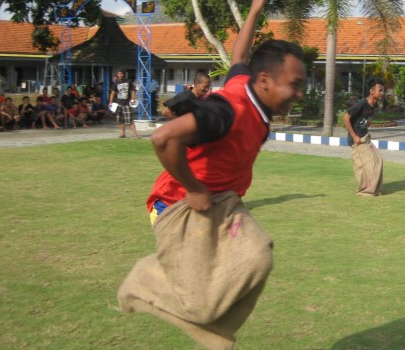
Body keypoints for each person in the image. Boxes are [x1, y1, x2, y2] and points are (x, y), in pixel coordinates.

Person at [117, 0, 305, 348]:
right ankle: (144, 280)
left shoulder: (248, 88)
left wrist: (254, 10)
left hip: (225, 203)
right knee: (200, 301)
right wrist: (194, 188)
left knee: (258, 257)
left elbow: (239, 56)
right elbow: (164, 138)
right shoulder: (228, 111)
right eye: (294, 84)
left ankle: (216, 330)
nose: (299, 93)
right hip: (178, 205)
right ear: (264, 81)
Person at [342, 77, 385, 196]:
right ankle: (365, 190)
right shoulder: (362, 103)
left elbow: (367, 120)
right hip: (357, 140)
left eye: (382, 90)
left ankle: (376, 189)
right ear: (372, 91)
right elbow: (345, 117)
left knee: (378, 160)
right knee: (366, 165)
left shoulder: (373, 106)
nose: (382, 93)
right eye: (380, 90)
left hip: (365, 138)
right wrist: (354, 136)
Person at [108, 69, 138, 138]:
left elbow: (133, 90)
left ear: (124, 74)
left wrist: (133, 98)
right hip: (119, 103)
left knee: (130, 119)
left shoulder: (128, 81)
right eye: (119, 73)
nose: (120, 75)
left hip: (127, 103)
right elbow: (113, 92)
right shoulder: (116, 83)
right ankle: (123, 134)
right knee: (121, 120)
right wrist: (110, 102)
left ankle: (135, 134)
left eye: (121, 73)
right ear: (117, 75)